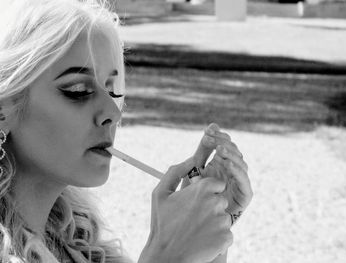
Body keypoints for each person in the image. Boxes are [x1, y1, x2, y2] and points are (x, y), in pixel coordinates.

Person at [0, 0, 253, 262]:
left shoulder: (83, 246)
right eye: (78, 91)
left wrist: (205, 236)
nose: (113, 112)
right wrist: (166, 253)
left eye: (112, 90)